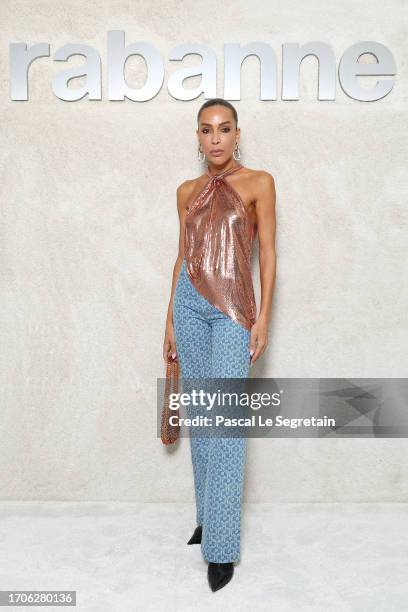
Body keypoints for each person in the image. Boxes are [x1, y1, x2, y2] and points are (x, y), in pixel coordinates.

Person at [163, 98, 276, 592]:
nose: (215, 138)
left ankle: (222, 549)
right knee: (202, 420)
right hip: (188, 304)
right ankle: (209, 519)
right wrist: (168, 318)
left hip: (233, 309)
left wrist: (263, 316)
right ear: (198, 137)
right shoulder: (186, 190)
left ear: (236, 134)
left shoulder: (259, 183)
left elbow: (268, 253)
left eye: (224, 129)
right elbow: (181, 257)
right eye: (206, 130)